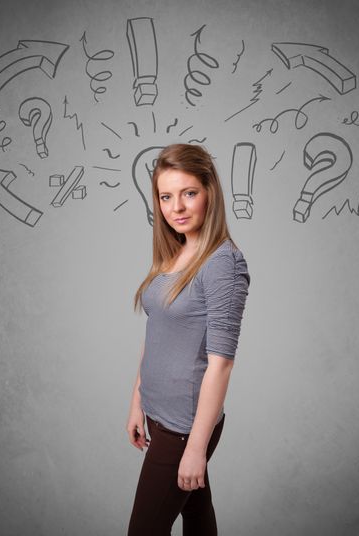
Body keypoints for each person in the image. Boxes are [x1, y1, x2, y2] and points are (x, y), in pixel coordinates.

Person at [126, 143, 250, 535]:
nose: (176, 207)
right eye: (166, 196)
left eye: (189, 193)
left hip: (185, 427)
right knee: (198, 519)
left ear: (210, 192)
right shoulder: (176, 253)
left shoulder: (222, 264)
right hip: (160, 416)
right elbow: (157, 334)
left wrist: (196, 448)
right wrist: (137, 402)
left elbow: (222, 363)